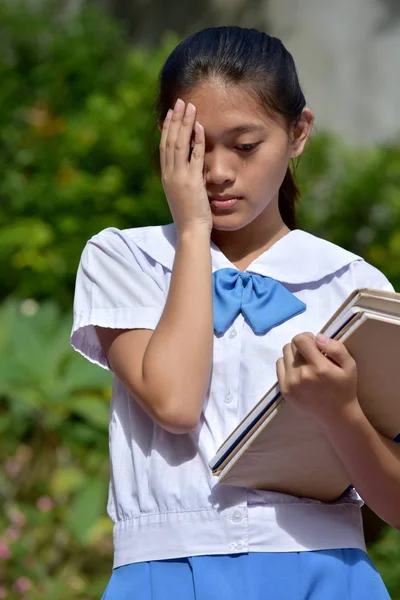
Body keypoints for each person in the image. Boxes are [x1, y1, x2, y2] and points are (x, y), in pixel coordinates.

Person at [70, 26, 399, 600]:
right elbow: (174, 402)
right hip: (165, 575)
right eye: (198, 147)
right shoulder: (124, 257)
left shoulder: (352, 283)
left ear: (299, 134)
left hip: (325, 573)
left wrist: (339, 410)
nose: (218, 171)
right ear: (168, 140)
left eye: (245, 147)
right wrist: (193, 229)